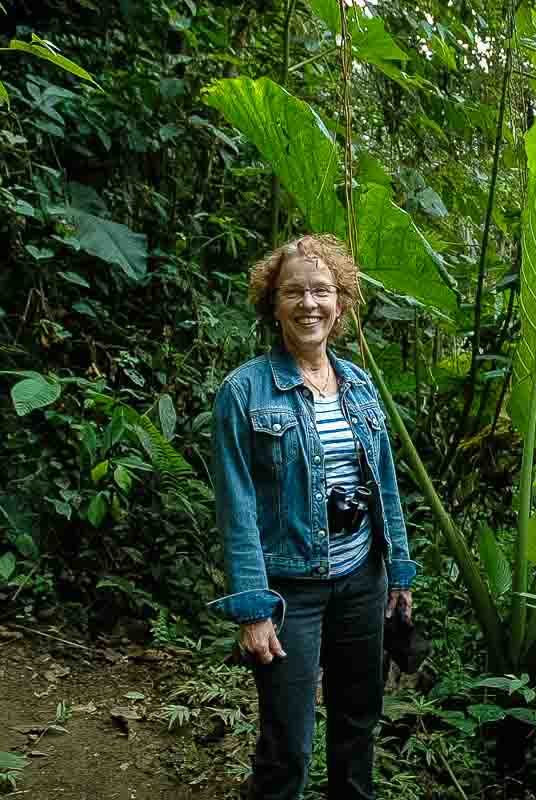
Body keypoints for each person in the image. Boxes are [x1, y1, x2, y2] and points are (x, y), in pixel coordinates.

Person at [206, 234, 417, 800]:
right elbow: (237, 510)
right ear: (273, 304)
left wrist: (398, 573)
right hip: (287, 591)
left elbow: (385, 485)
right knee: (287, 742)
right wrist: (252, 608)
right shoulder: (243, 392)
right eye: (293, 291)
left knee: (357, 724)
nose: (309, 304)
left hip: (361, 582)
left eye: (322, 291)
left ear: (341, 303)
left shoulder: (360, 385)